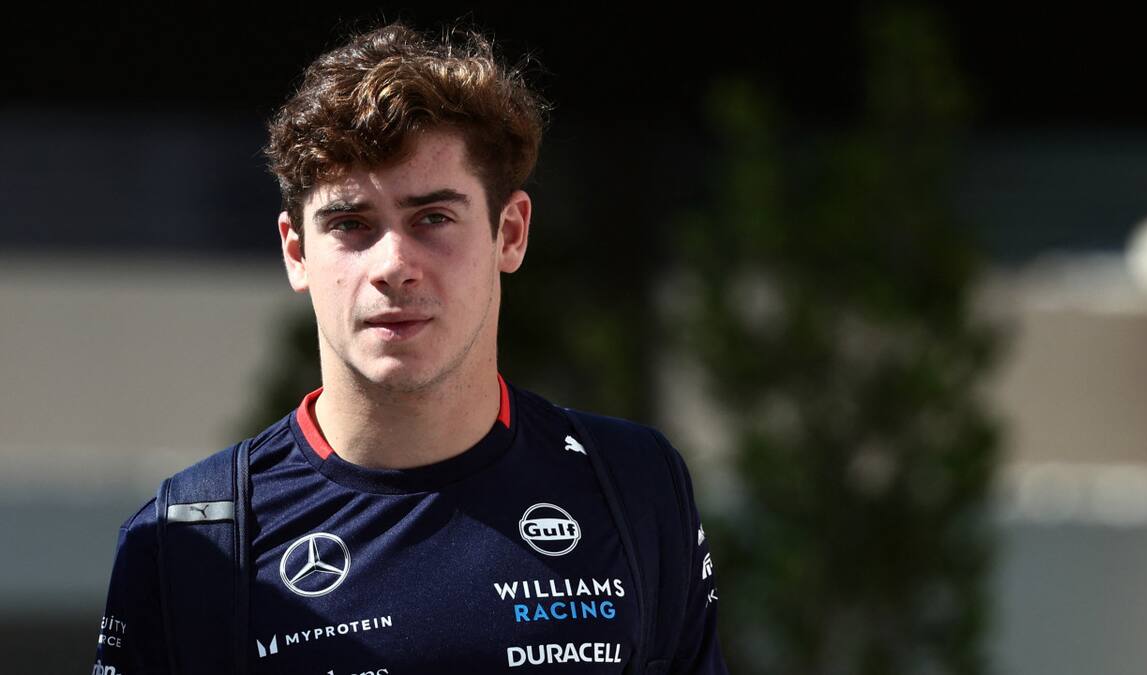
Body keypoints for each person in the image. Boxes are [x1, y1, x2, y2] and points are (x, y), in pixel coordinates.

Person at [93, 21, 726, 674]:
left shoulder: (633, 483)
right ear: (295, 251)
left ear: (509, 233)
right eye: (350, 224)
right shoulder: (188, 540)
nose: (394, 264)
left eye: (433, 218)